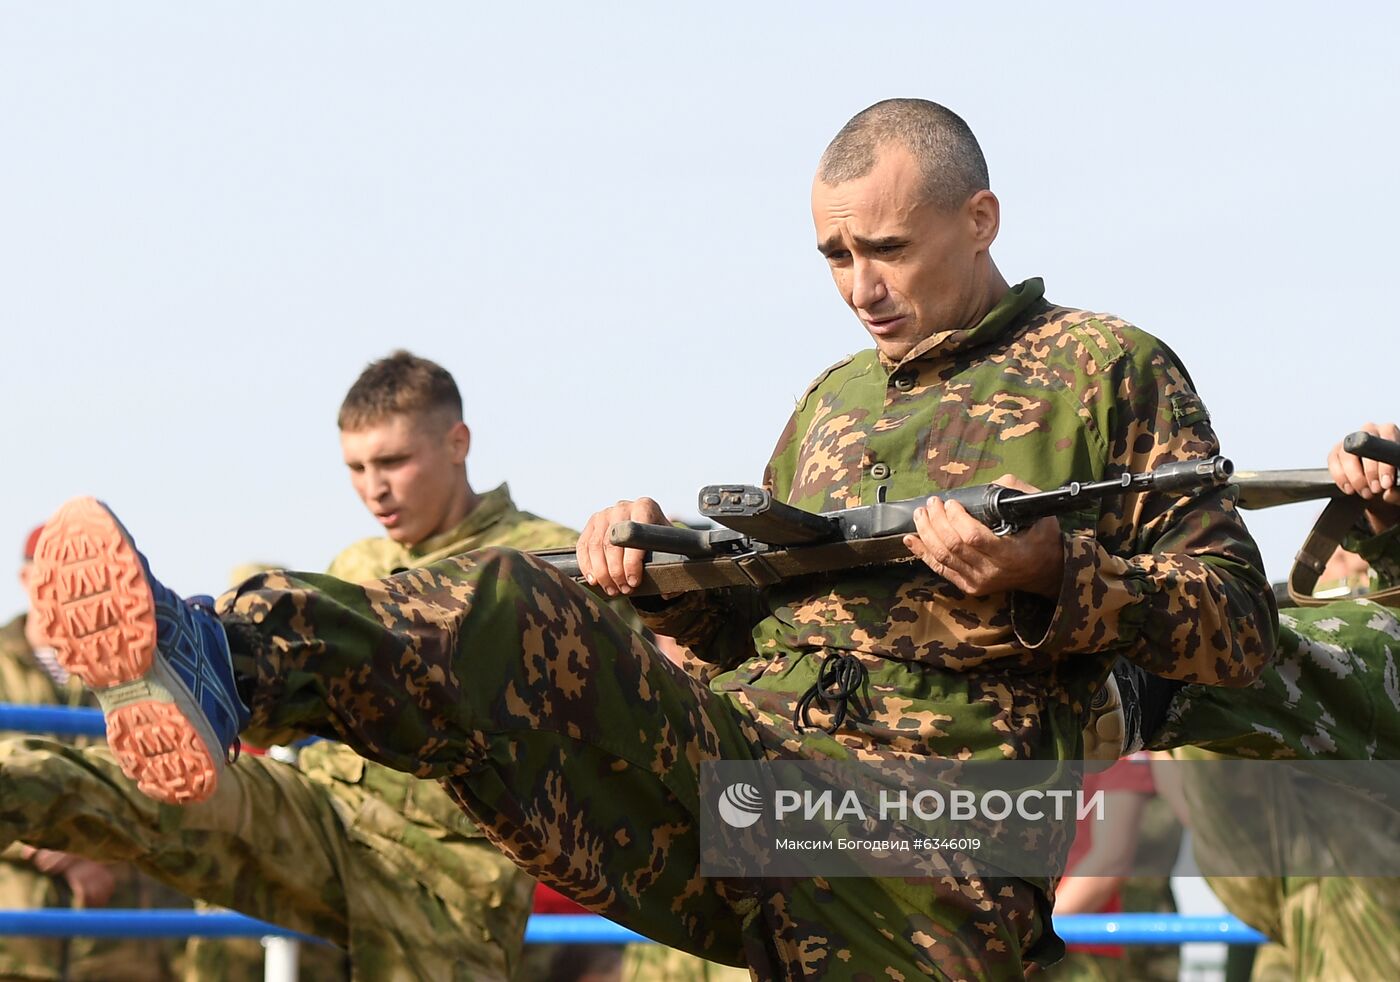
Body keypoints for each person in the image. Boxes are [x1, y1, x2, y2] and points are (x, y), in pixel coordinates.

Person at [29, 99, 1275, 979]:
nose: (858, 286)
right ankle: (221, 655)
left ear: (980, 218)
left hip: (936, 838)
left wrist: (1049, 574)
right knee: (502, 604)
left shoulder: (1105, 371)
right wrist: (659, 580)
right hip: (749, 765)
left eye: (886, 248)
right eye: (834, 254)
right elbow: (753, 620)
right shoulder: (833, 404)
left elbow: (1234, 623)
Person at [2, 352, 579, 980]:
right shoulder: (358, 561)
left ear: (457, 442)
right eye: (356, 467)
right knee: (124, 793)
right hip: (325, 813)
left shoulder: (543, 564)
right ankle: (203, 659)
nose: (373, 487)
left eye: (392, 462)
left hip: (449, 869)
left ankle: (207, 649)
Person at [0, 528, 187, 982]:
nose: (68, 591)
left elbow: (159, 772)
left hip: (121, 941)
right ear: (27, 579)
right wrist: (62, 853)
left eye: (83, 580)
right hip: (18, 931)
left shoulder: (130, 670)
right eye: (53, 578)